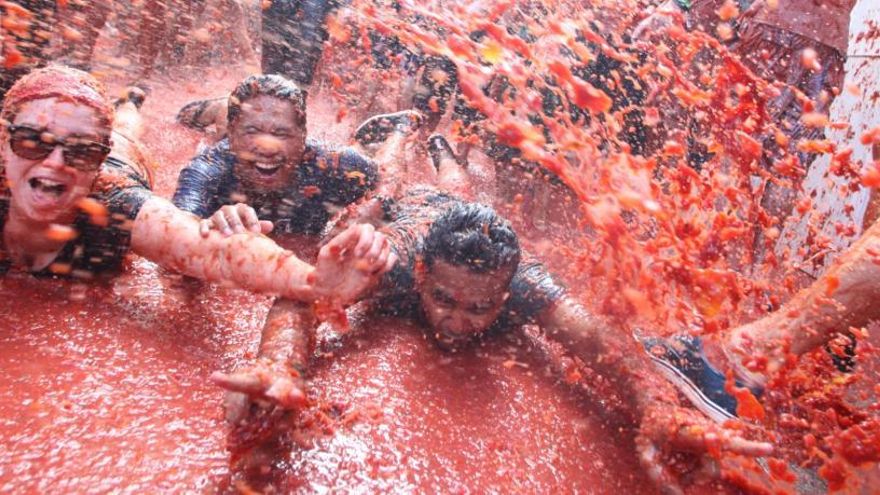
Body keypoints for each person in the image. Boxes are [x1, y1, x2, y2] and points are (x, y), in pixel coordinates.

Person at [210, 133, 774, 493]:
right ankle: (404, 139)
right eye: (444, 301)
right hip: (410, 208)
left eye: (480, 309)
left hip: (467, 216)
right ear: (424, 278)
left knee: (464, 190)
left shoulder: (523, 282)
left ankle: (443, 151)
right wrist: (282, 365)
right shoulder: (401, 263)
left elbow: (595, 338)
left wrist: (656, 404)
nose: (457, 322)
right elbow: (307, 297)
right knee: (382, 198)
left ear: (505, 297)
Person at [0, 65, 393, 308]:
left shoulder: (117, 205)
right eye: (32, 141)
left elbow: (206, 249)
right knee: (118, 128)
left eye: (81, 151)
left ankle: (130, 104)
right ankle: (129, 108)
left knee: (126, 131)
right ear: (5, 143)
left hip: (124, 156)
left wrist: (313, 282)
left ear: (97, 159)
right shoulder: (208, 166)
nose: (55, 162)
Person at [172, 74, 381, 238]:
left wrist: (367, 213)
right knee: (198, 116)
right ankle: (217, 107)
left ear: (302, 137)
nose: (267, 148)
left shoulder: (335, 164)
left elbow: (387, 178)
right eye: (252, 132)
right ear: (233, 135)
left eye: (280, 134)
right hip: (226, 128)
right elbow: (176, 228)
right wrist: (202, 229)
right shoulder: (209, 167)